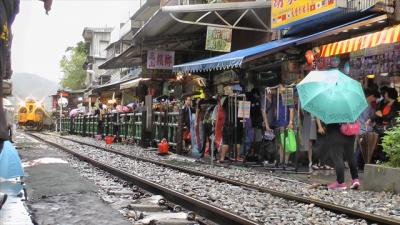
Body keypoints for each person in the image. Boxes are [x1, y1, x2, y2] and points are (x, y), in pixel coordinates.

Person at [324, 123, 360, 190]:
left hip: (336, 132)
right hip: (350, 131)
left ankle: (340, 182)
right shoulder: (349, 112)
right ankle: (355, 179)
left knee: (338, 157)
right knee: (350, 156)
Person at [355, 89, 379, 170]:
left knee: (359, 147)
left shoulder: (360, 103)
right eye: (375, 98)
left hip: (359, 127)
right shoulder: (367, 105)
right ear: (372, 96)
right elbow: (366, 117)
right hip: (364, 129)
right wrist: (374, 114)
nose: (375, 100)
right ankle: (357, 166)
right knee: (361, 149)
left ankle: (357, 166)